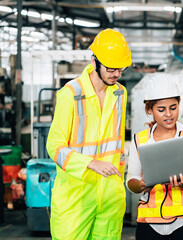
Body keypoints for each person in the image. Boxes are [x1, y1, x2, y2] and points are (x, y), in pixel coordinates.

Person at [46, 28, 132, 239]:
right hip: (76, 197)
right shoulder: (71, 95)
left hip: (110, 195)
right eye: (111, 69)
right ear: (94, 61)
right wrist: (90, 163)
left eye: (121, 69)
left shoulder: (120, 93)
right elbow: (54, 147)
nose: (117, 74)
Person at [126, 77, 183, 240]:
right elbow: (131, 181)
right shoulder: (139, 140)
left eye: (173, 108)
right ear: (150, 110)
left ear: (179, 104)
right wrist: (140, 185)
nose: (168, 114)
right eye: (161, 109)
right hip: (150, 223)